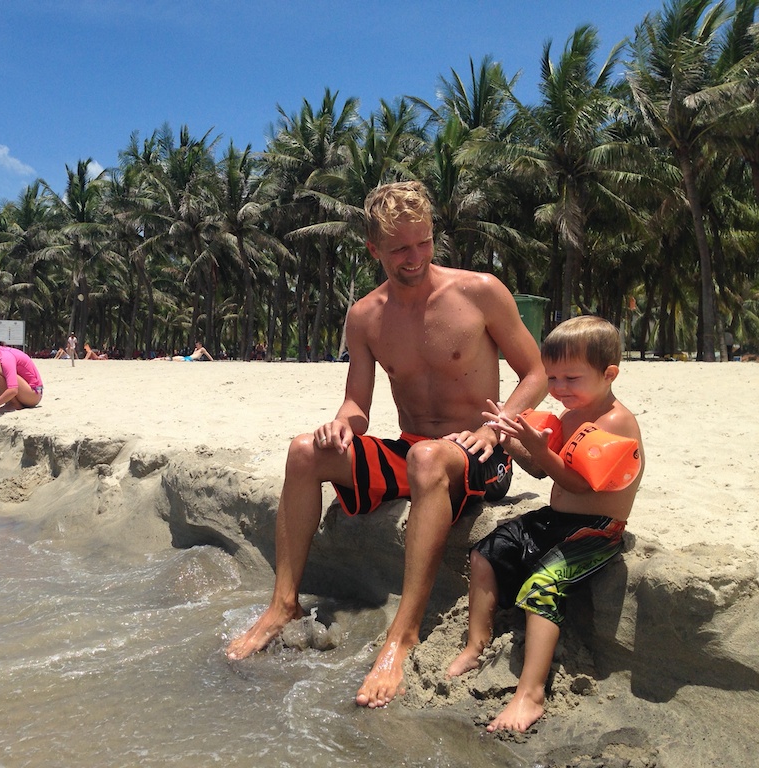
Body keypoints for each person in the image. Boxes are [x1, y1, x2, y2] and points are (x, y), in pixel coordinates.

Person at [224, 180, 547, 708]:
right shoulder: (366, 316)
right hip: (415, 450)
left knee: (425, 457)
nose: (415, 257)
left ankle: (404, 633)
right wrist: (340, 425)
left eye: (423, 242)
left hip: (482, 455)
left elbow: (535, 372)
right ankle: (283, 604)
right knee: (304, 450)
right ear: (373, 249)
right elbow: (357, 404)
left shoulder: (479, 292)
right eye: (400, 248)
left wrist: (497, 426)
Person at [446, 316, 644, 733]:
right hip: (557, 518)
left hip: (597, 526)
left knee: (543, 584)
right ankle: (475, 643)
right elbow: (539, 469)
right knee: (486, 552)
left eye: (571, 378)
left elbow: (576, 481)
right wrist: (509, 437)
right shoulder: (568, 414)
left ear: (609, 375)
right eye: (552, 377)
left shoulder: (614, 422)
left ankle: (530, 693)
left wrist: (538, 446)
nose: (559, 388)